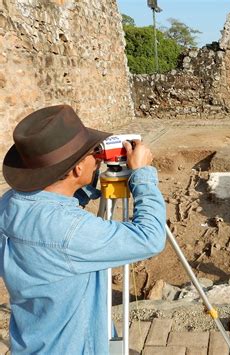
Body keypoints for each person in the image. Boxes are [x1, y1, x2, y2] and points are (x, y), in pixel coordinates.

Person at [0, 105, 167, 354]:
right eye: (91, 153)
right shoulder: (72, 232)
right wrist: (142, 174)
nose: (96, 155)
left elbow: (55, 201)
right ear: (77, 169)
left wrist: (87, 178)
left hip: (32, 342)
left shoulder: (9, 203)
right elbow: (150, 237)